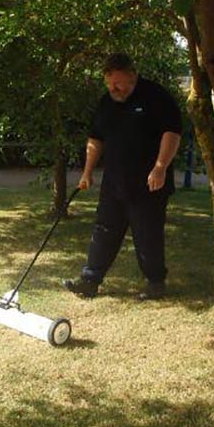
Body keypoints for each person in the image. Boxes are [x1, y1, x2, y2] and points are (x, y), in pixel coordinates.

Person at [64, 53, 182, 301]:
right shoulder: (107, 102)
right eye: (108, 84)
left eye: (117, 83)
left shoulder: (156, 96)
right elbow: (96, 138)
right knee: (104, 230)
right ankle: (90, 281)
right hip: (114, 182)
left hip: (149, 182)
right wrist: (87, 172)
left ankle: (155, 283)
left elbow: (171, 133)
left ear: (132, 75)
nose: (113, 89)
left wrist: (160, 167)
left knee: (147, 234)